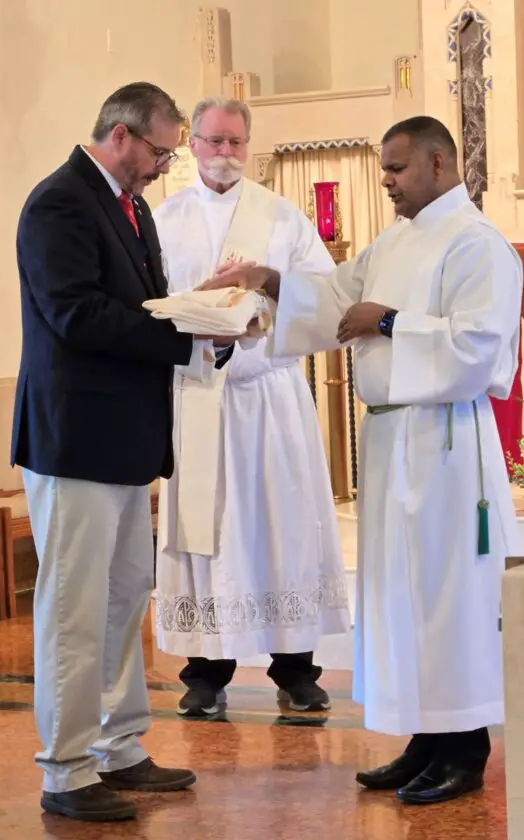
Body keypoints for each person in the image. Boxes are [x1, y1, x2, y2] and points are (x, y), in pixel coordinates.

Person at [200, 116, 522, 804]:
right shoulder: (397, 240)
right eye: (384, 168)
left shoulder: (478, 245)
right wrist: (268, 280)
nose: (387, 181)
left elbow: (482, 347)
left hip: (444, 444)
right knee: (401, 597)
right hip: (391, 444)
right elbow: (338, 295)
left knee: (446, 597)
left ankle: (464, 748)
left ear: (440, 163)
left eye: (398, 168)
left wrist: (390, 322)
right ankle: (423, 738)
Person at [12, 82, 233, 822]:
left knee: (120, 598)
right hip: (74, 438)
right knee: (74, 609)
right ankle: (66, 769)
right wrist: (185, 332)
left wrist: (209, 323)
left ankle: (120, 745)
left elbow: (149, 308)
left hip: (124, 440)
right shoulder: (60, 203)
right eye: (160, 151)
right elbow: (76, 313)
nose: (164, 166)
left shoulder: (129, 209)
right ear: (119, 134)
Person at [152, 96, 350, 717]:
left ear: (250, 145)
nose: (225, 154)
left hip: (268, 395)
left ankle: (296, 670)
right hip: (200, 392)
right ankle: (205, 673)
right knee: (205, 533)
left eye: (236, 142)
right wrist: (199, 315)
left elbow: (326, 299)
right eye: (213, 142)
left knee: (282, 524)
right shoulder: (164, 220)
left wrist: (264, 292)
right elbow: (148, 300)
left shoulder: (282, 217)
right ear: (192, 146)